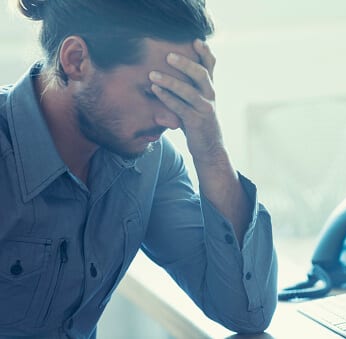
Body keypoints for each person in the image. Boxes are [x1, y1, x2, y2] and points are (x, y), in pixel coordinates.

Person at [0, 0, 278, 338]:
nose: (172, 120)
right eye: (152, 93)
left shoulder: (150, 161)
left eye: (181, 96)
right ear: (76, 60)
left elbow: (246, 314)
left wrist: (209, 147)